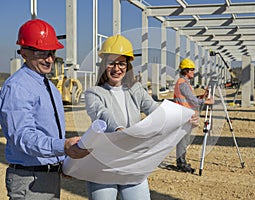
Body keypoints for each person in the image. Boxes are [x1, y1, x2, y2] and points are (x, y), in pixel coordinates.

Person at [84, 35, 199, 200]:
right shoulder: (93, 93)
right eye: (111, 62)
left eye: (121, 63)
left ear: (128, 65)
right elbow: (102, 114)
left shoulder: (136, 90)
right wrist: (118, 130)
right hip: (105, 164)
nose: (117, 68)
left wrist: (183, 119)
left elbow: (156, 111)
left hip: (133, 162)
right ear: (104, 65)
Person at [0, 19, 90, 200]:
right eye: (43, 52)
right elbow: (22, 137)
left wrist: (63, 161)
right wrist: (62, 147)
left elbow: (48, 130)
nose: (50, 59)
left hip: (49, 177)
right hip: (30, 180)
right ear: (24, 53)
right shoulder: (17, 87)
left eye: (52, 52)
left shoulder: (48, 87)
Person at [173, 58, 213, 173]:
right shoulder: (183, 84)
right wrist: (207, 102)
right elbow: (193, 102)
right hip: (183, 115)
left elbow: (191, 99)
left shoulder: (184, 83)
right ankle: (181, 163)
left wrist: (202, 97)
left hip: (185, 114)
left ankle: (181, 161)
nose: (193, 72)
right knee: (183, 140)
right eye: (191, 69)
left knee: (184, 139)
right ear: (186, 70)